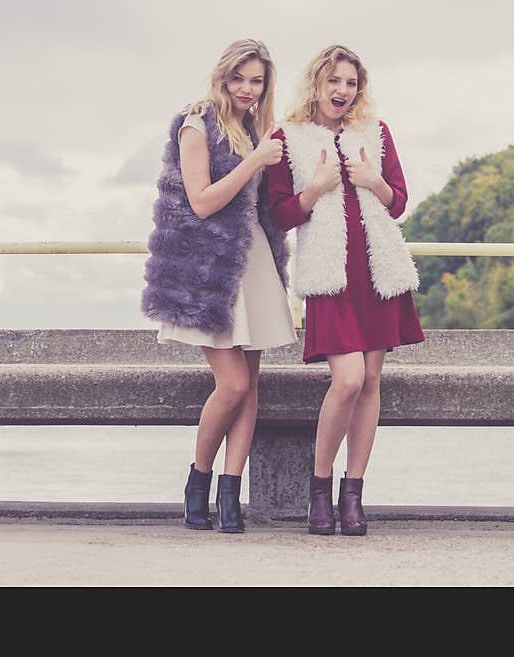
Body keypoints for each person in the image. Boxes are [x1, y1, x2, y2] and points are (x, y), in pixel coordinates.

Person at [267, 44, 425, 536]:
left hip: (378, 276)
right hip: (329, 276)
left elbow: (397, 203)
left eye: (351, 83)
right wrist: (314, 188)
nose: (342, 90)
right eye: (333, 80)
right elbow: (279, 214)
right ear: (316, 83)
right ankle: (319, 487)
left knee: (372, 381)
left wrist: (374, 181)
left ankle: (353, 493)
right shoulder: (286, 138)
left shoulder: (375, 134)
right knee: (349, 380)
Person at [141, 39, 295, 533]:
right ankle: (198, 480)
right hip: (210, 271)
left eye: (257, 81)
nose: (248, 89)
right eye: (240, 79)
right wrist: (254, 162)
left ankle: (232, 494)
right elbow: (202, 201)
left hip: (254, 264)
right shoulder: (196, 122)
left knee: (251, 387)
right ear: (223, 76)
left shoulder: (256, 127)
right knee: (231, 384)